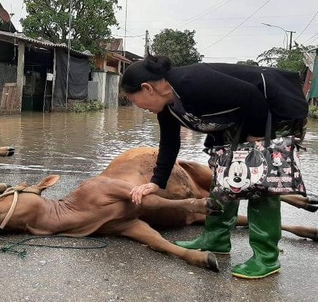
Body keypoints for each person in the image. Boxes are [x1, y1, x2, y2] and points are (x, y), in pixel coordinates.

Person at [120, 55, 308, 279]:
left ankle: (266, 257)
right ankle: (216, 238)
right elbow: (169, 144)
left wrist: (256, 139)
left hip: (274, 108)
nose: (138, 107)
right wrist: (156, 183)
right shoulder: (168, 107)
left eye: (134, 100)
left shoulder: (192, 82)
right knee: (223, 172)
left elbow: (251, 95)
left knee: (260, 180)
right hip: (240, 115)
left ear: (147, 88)